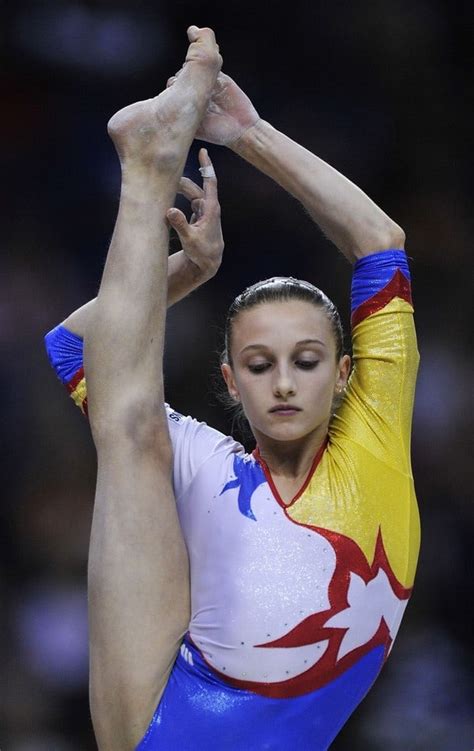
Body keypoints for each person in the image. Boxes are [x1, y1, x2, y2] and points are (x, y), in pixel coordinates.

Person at [45, 25, 421, 751]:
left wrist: (248, 133)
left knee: (131, 425)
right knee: (130, 430)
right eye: (258, 364)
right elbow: (74, 349)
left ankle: (158, 152)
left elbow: (379, 241)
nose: (283, 381)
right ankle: (150, 164)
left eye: (307, 360)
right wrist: (185, 272)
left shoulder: (374, 437)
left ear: (345, 372)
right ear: (230, 379)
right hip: (163, 707)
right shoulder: (209, 467)